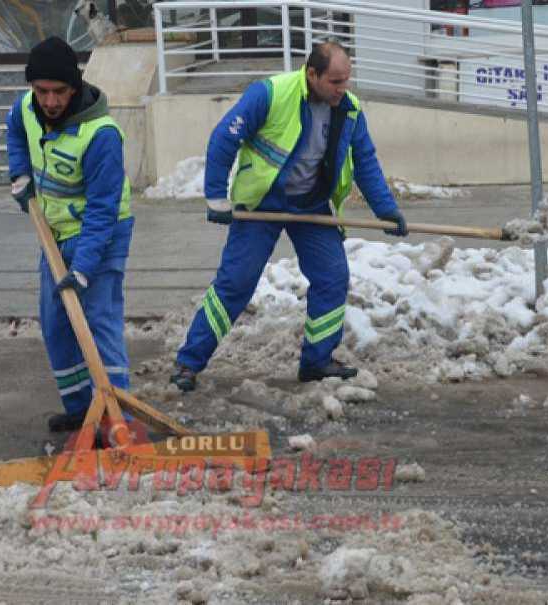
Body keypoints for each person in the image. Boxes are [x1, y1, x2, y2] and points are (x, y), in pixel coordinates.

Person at [170, 41, 407, 392]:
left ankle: (317, 362)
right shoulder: (270, 93)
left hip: (310, 205)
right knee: (236, 282)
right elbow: (224, 138)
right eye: (335, 82)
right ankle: (188, 363)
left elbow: (366, 162)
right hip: (262, 204)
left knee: (332, 276)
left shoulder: (350, 110)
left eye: (346, 81)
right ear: (312, 74)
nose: (343, 90)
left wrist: (386, 209)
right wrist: (217, 197)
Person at [5, 37, 135, 432]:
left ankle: (117, 418)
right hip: (54, 231)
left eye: (58, 92)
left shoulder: (101, 135)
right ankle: (82, 408)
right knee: (56, 321)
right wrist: (20, 172)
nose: (48, 101)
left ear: (74, 88)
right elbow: (14, 130)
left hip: (101, 233)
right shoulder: (25, 108)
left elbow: (102, 209)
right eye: (41, 91)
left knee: (97, 321)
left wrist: (84, 268)